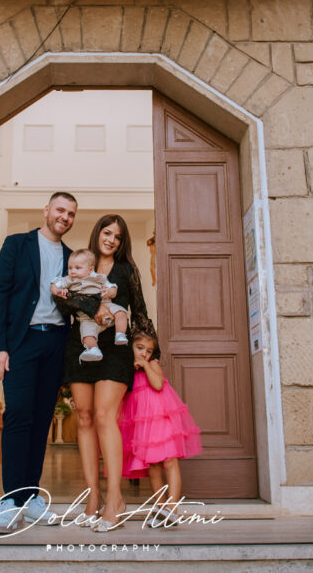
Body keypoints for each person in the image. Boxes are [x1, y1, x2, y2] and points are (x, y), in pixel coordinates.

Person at [0, 192, 78, 534]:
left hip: (55, 343)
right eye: (60, 210)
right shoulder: (17, 245)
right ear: (47, 210)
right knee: (19, 415)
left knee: (41, 421)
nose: (64, 217)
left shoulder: (71, 258)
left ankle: (31, 496)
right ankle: (10, 501)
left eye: (71, 214)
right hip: (21, 341)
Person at [59, 214, 151, 533]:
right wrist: (92, 306)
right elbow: (64, 300)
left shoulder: (127, 270)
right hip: (81, 343)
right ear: (98, 233)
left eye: (118, 236)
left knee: (103, 416)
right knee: (84, 417)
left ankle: (115, 499)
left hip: (116, 346)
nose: (111, 239)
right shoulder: (80, 263)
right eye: (107, 233)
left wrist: (150, 354)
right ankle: (93, 497)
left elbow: (139, 312)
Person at [118, 330, 202, 528]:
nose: (144, 353)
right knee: (153, 467)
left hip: (162, 421)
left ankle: (172, 508)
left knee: (170, 461)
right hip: (143, 426)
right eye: (139, 348)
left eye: (148, 351)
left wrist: (146, 365)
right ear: (130, 347)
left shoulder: (152, 364)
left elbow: (157, 385)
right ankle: (161, 507)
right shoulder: (128, 370)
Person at [51, 248, 129, 363]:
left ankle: (120, 334)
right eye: (70, 268)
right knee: (87, 334)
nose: (72, 271)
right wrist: (57, 290)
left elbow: (112, 287)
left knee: (121, 312)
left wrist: (111, 291)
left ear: (90, 269)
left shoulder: (98, 277)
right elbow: (54, 284)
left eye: (77, 268)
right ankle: (93, 350)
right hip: (86, 317)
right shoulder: (68, 280)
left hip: (106, 307)